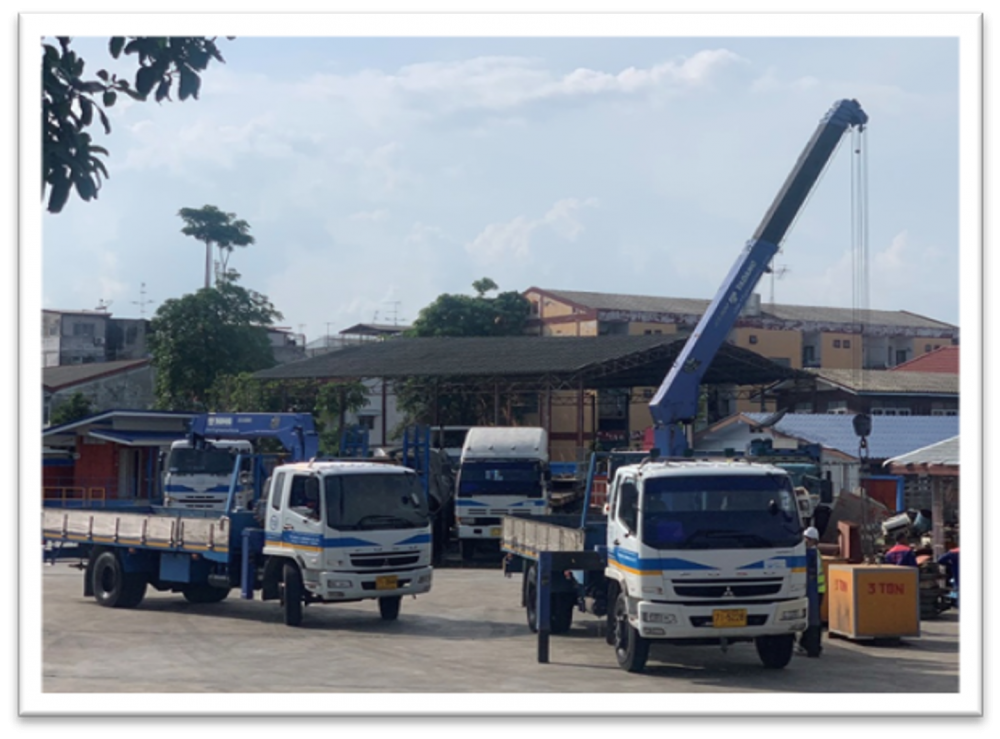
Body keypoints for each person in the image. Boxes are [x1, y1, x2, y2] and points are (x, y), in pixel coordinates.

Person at [798, 526, 825, 657]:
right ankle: (805, 644)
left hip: (814, 591)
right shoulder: (814, 553)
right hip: (817, 590)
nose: (805, 541)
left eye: (807, 539)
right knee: (810, 620)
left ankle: (813, 647)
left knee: (812, 620)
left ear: (813, 540)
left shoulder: (811, 555)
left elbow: (811, 575)